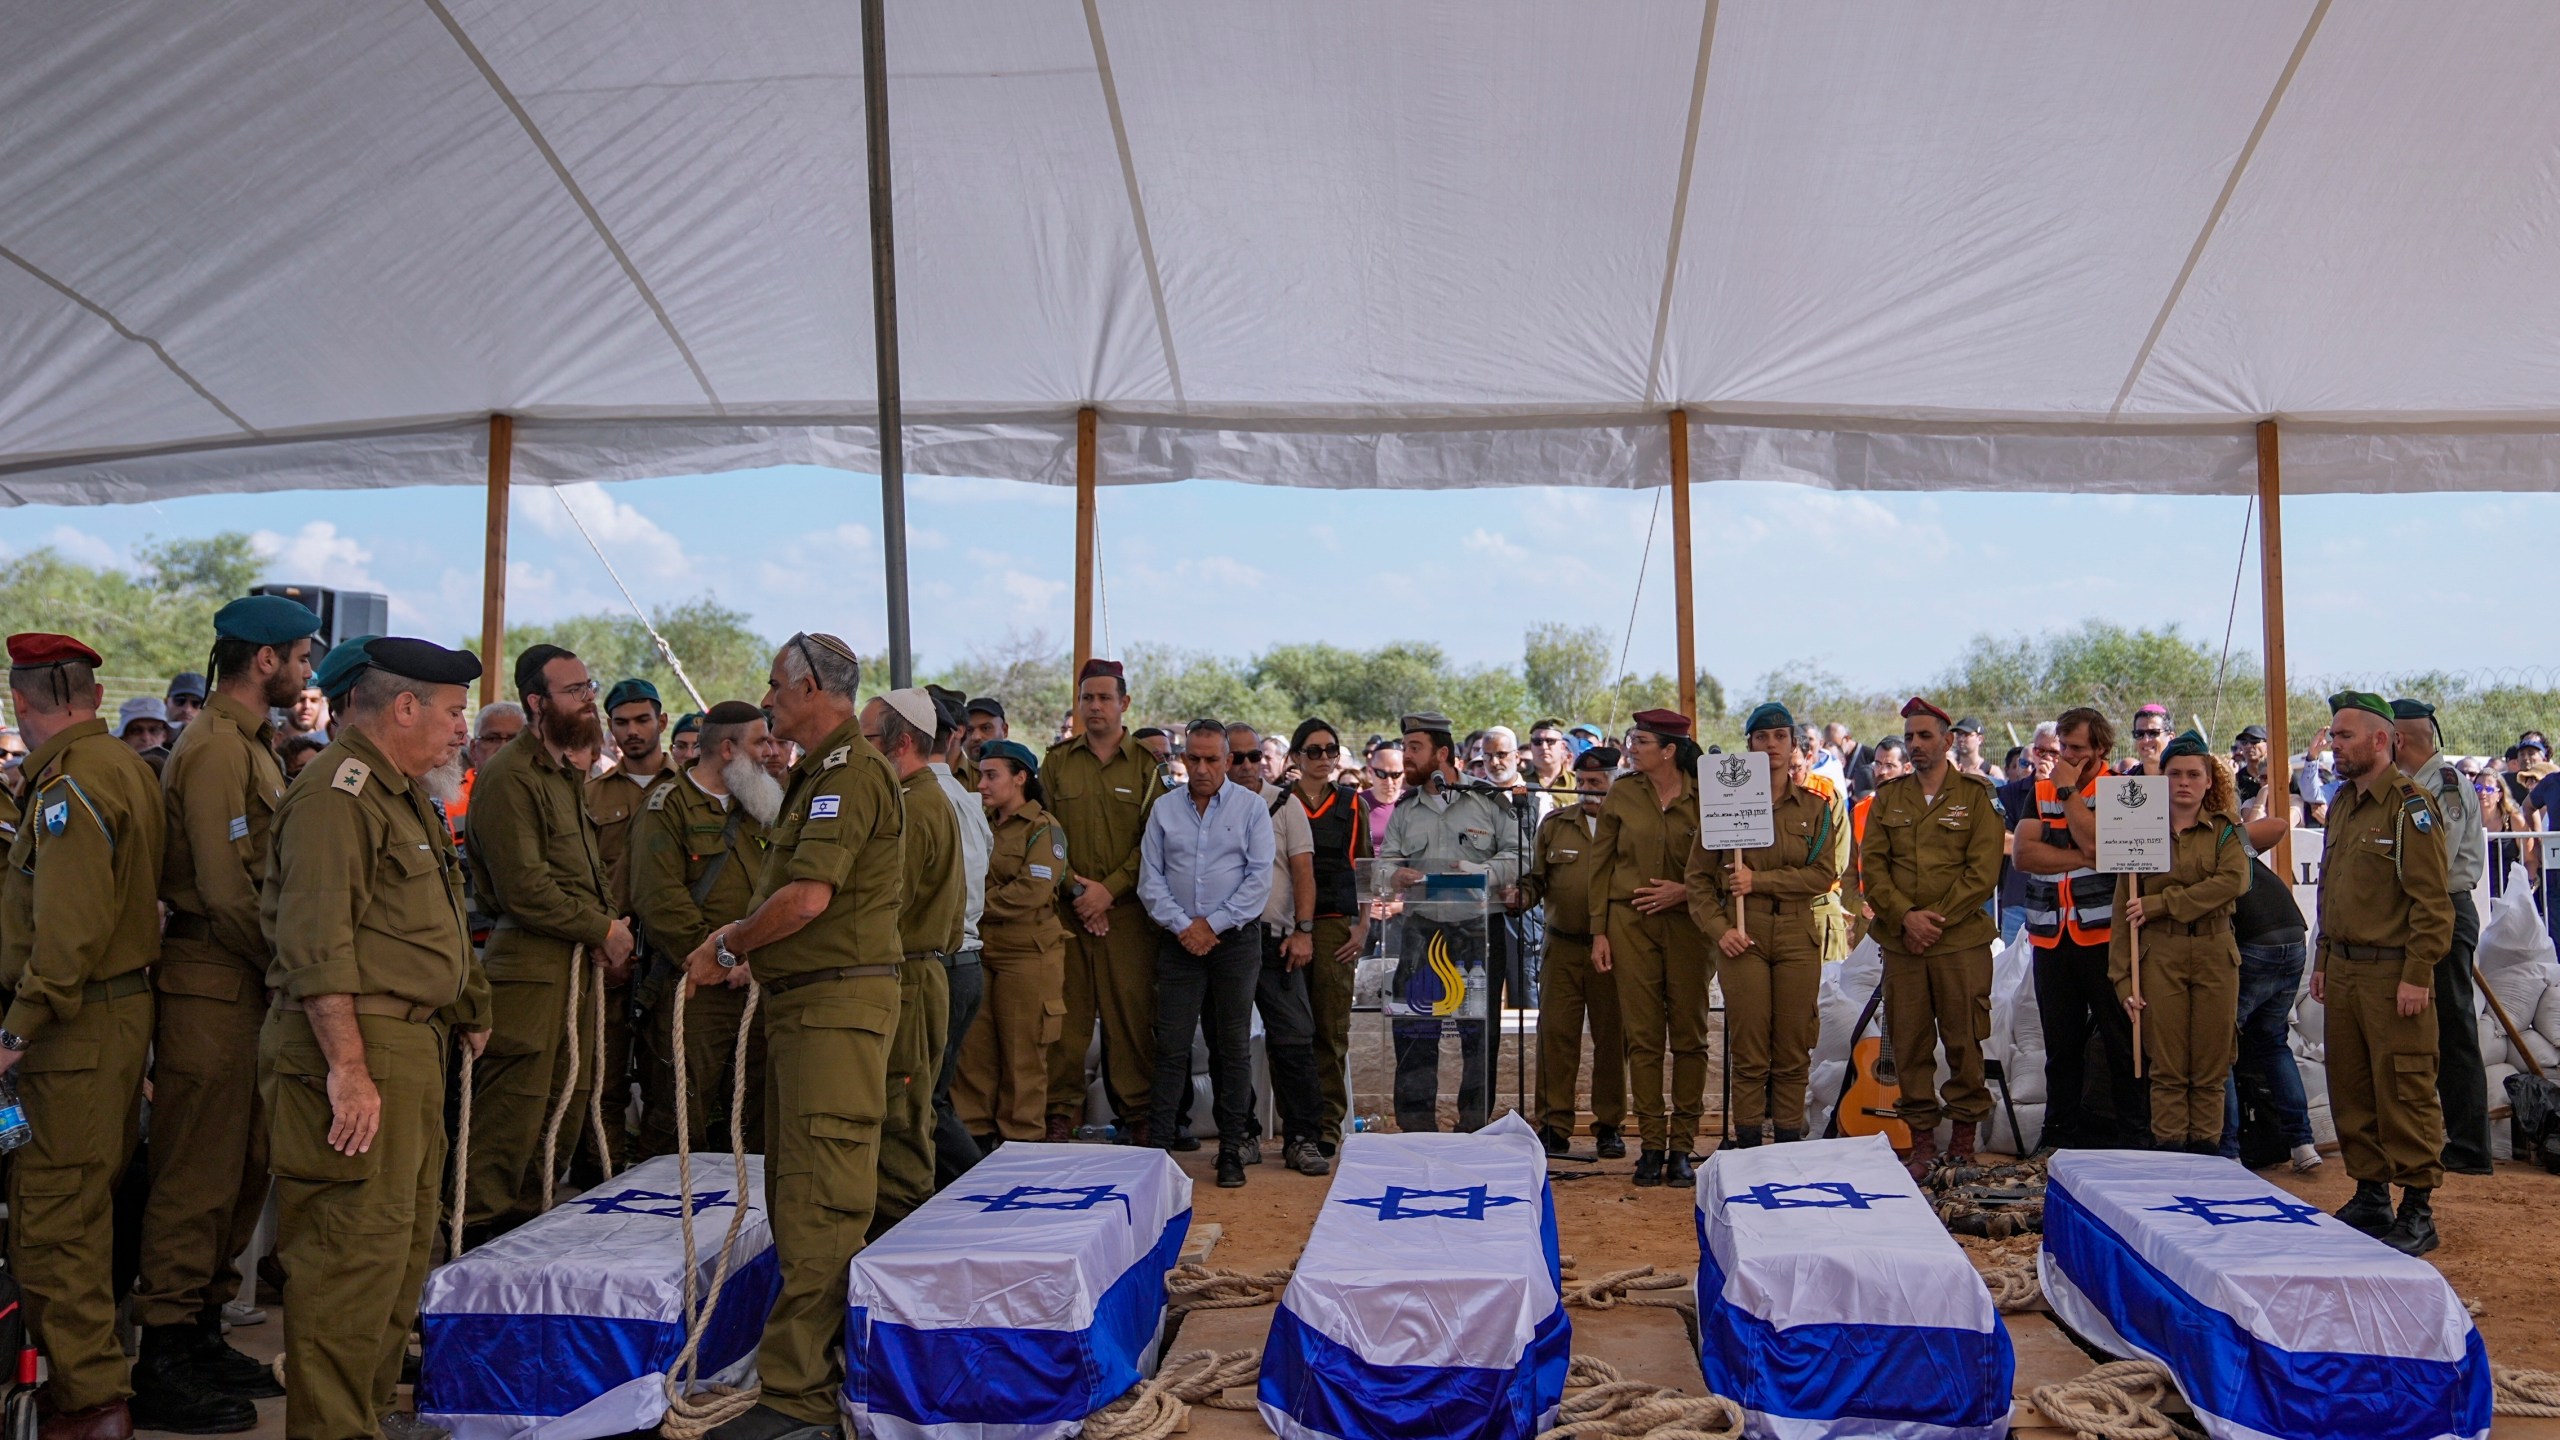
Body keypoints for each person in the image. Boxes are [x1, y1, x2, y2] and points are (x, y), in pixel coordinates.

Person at [259, 637, 487, 1440]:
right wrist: (349, 1068)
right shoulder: (338, 793)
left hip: (407, 1045)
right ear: (403, 707)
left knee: (394, 1264)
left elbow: (431, 921)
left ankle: (362, 1421)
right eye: (454, 712)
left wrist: (469, 1002)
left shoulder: (401, 791)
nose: (463, 729)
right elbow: (316, 945)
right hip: (356, 1046)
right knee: (347, 1267)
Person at [680, 632, 904, 1437]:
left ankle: (799, 1395)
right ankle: (798, 1378)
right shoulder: (820, 772)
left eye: (776, 687)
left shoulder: (845, 775)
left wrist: (734, 941)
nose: (768, 701)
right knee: (801, 1190)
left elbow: (808, 898)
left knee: (819, 1202)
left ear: (812, 687)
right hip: (812, 1005)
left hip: (833, 1014)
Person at [135, 595, 322, 1425]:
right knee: (196, 1175)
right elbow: (221, 885)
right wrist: (291, 969)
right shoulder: (213, 749)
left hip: (242, 982)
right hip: (212, 979)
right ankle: (165, 1352)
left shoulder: (249, 746)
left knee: (241, 1167)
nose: (308, 673)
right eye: (303, 658)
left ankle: (203, 1328)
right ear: (265, 661)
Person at [2, 634, 175, 1439]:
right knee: (84, 1204)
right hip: (114, 1013)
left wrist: (17, 1029)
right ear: (95, 699)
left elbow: (67, 930)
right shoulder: (122, 769)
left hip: (74, 1026)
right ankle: (91, 1387)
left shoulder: (66, 787)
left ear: (22, 702)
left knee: (54, 1219)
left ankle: (91, 1401)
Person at [458, 645, 634, 1242]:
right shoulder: (510, 775)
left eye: (589, 686)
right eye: (575, 690)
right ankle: (474, 1255)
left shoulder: (563, 775)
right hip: (530, 973)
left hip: (572, 970)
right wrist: (603, 930)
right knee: (512, 1119)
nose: (589, 699)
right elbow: (525, 888)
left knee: (563, 1109)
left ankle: (523, 1242)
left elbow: (584, 873)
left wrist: (609, 931)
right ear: (537, 702)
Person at [2316, 692, 2454, 1256]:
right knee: (2351, 1088)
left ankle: (2417, 1208)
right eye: (2332, 734)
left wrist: (2418, 973)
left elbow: (2432, 904)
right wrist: (2323, 960)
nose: (2333, 744)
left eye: (2344, 735)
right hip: (2345, 970)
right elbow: (2331, 890)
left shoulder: (2409, 807)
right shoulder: (2345, 802)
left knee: (2404, 1086)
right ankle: (2370, 1195)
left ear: (2380, 740)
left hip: (2393, 972)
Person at [1687, 704, 1848, 1148]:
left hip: (1798, 930)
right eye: (1762, 737)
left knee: (1794, 1044)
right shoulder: (1723, 806)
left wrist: (1760, 879)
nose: (1772, 745)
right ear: (1750, 747)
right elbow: (1698, 880)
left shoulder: (1815, 808)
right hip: (1744, 934)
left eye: (1780, 737)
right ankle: (1750, 1138)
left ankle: (1791, 1137)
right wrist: (1721, 929)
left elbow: (1822, 874)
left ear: (1794, 745)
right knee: (1750, 1044)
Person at [1860, 698, 2006, 1177]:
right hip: (1903, 944)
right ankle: (1922, 1144)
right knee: (1910, 1044)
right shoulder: (1888, 798)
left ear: (1948, 741)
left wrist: (1933, 919)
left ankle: (1962, 1143)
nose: (1917, 745)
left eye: (1926, 736)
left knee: (1964, 1041)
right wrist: (1906, 917)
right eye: (1910, 737)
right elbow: (1873, 869)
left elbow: (1982, 872)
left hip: (1958, 943)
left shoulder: (1977, 795)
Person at [629, 701, 776, 1160]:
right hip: (694, 988)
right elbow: (659, 900)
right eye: (760, 742)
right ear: (728, 748)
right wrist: (725, 958)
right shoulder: (666, 806)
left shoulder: (761, 806)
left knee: (754, 1118)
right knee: (680, 1118)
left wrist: (753, 958)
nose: (771, 751)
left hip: (757, 984)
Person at [1136, 720, 1273, 1187]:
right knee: (1171, 1044)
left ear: (1228, 761)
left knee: (1231, 1046)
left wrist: (1209, 926)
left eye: (1211, 759)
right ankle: (1159, 1148)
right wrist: (1184, 926)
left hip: (1233, 941)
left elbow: (1258, 880)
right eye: (1192, 758)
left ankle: (1232, 1149)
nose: (1200, 768)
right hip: (1178, 941)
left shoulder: (1253, 808)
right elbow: (1149, 879)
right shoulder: (1164, 809)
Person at [1379, 711, 1524, 1137]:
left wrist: (1483, 872)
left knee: (1478, 1032)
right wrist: (1395, 875)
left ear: (1442, 753)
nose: (1406, 756)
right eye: (1405, 747)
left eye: (1415, 747)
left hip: (1478, 929)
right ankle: (1417, 1124)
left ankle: (1474, 1126)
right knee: (1416, 1028)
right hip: (1422, 927)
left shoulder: (1487, 800)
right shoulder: (1406, 809)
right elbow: (1384, 862)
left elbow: (1519, 854)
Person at [1042, 660, 1169, 1144]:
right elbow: (1045, 835)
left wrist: (1107, 891)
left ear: (1124, 704)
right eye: (1087, 698)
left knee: (1131, 1017)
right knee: (1066, 1020)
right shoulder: (1055, 763)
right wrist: (1078, 891)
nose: (1094, 706)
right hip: (1069, 914)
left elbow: (1154, 843)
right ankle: (1060, 1113)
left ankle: (1136, 1114)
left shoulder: (1145, 766)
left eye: (1104, 698)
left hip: (1128, 917)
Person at [1586, 709, 1710, 1186]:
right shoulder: (1622, 793)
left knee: (1690, 1037)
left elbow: (1725, 864)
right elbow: (1601, 866)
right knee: (1642, 1038)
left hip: (1689, 928)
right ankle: (1651, 1145)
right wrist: (1600, 930)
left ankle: (1683, 1145)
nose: (1631, 749)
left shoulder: (1707, 797)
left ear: (1668, 751)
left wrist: (1684, 890)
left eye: (1640, 742)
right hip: (1629, 926)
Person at [2112, 733, 2251, 1152]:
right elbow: (2123, 910)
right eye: (2175, 774)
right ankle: (2172, 1160)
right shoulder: (2136, 830)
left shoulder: (2228, 830)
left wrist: (2163, 903)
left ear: (2210, 781)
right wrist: (2122, 980)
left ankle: (2207, 1161)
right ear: (2160, 779)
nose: (2184, 783)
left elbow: (2235, 882)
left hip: (2214, 951)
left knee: (2211, 1064)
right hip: (2160, 954)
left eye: (2194, 774)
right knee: (2167, 1066)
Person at [2016, 706, 2146, 1150]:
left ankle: (2134, 1136)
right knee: (2061, 1045)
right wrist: (2086, 855)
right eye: (2062, 748)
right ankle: (2058, 1135)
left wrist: (2070, 794)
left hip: (2108, 938)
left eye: (2075, 749)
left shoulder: (2126, 791)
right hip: (2051, 935)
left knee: (2121, 1041)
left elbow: (2098, 842)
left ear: (2101, 750)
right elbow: (2024, 856)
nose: (2065, 757)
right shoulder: (2040, 789)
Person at [861, 689, 963, 1233]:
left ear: (900, 743)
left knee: (901, 1120)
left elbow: (886, 905)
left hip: (908, 978)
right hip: (919, 975)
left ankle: (899, 1243)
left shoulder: (912, 806)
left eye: (866, 741)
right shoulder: (924, 798)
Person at [2390, 699, 2493, 1176]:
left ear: (2398, 739)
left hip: (2444, 909)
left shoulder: (2443, 785)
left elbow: (2433, 860)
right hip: (2431, 911)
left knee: (2453, 1030)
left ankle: (2470, 1148)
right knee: (2431, 1029)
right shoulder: (2415, 785)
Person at [1223, 723, 1329, 1175]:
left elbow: (1304, 873)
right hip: (1225, 942)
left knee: (1294, 1041)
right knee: (1230, 1044)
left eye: (1253, 757)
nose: (1246, 765)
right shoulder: (1206, 807)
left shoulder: (1286, 805)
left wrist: (1303, 931)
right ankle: (1241, 1134)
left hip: (1276, 941)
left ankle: (1302, 1137)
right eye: (1236, 757)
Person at [581, 677, 677, 1177]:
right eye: (621, 722)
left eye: (643, 720)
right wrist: (604, 943)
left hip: (674, 958)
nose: (633, 731)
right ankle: (605, 1185)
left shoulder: (690, 788)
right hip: (610, 957)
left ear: (662, 721)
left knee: (670, 1085)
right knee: (605, 1083)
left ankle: (662, 1193)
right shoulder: (590, 794)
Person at [955, 740, 1069, 1149]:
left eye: (992, 775)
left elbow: (1033, 891)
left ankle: (1021, 1142)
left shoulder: (1043, 827)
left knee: (1024, 1054)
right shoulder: (978, 822)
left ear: (1020, 778)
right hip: (980, 949)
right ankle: (975, 1140)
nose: (982, 784)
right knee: (973, 1054)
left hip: (1028, 954)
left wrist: (973, 904)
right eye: (981, 774)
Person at [1520, 746, 1625, 1158]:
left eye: (1596, 784)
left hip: (1613, 950)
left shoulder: (1629, 826)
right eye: (1582, 784)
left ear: (1615, 783)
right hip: (1561, 945)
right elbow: (1537, 879)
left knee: (1612, 1039)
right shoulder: (1556, 824)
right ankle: (1554, 1124)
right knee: (1555, 1036)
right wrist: (1519, 894)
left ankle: (1609, 1126)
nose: (1587, 792)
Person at [2221, 793, 2322, 1173]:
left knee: (2222, 1047)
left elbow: (2278, 825)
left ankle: (2229, 1151)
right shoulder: (2229, 839)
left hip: (2257, 942)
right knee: (2272, 1042)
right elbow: (2278, 826)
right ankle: (2302, 1142)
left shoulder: (2214, 840)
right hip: (2293, 936)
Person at [1284, 719, 1371, 1157]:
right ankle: (1294, 1121)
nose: (1323, 759)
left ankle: (1328, 1124)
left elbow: (1366, 868)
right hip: (1286, 925)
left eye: (1330, 750)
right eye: (1313, 751)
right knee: (1290, 1030)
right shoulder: (1280, 803)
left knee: (1331, 1030)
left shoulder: (1353, 803)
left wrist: (1363, 925)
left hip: (1337, 924)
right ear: (1296, 757)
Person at [924, 692, 993, 1185]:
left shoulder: (923, 802)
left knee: (923, 1103)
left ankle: (978, 1194)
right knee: (932, 1099)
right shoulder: (968, 802)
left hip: (940, 963)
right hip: (964, 962)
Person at [447, 701, 526, 838]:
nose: (503, 749)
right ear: (473, 749)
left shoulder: (549, 797)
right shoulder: (446, 800)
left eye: (515, 740)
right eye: (492, 739)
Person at [1363, 739, 1404, 850]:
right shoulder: (1357, 804)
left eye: (1396, 774)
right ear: (1370, 772)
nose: (1389, 782)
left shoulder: (1412, 804)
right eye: (1382, 774)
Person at [2121, 704, 2171, 775]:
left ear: (2170, 738)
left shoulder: (2183, 780)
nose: (2145, 740)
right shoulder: (2123, 781)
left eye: (2153, 733)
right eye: (2139, 734)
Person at [964, 696, 1009, 763]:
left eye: (986, 728)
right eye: (969, 730)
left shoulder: (1025, 770)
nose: (976, 737)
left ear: (1004, 730)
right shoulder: (948, 772)